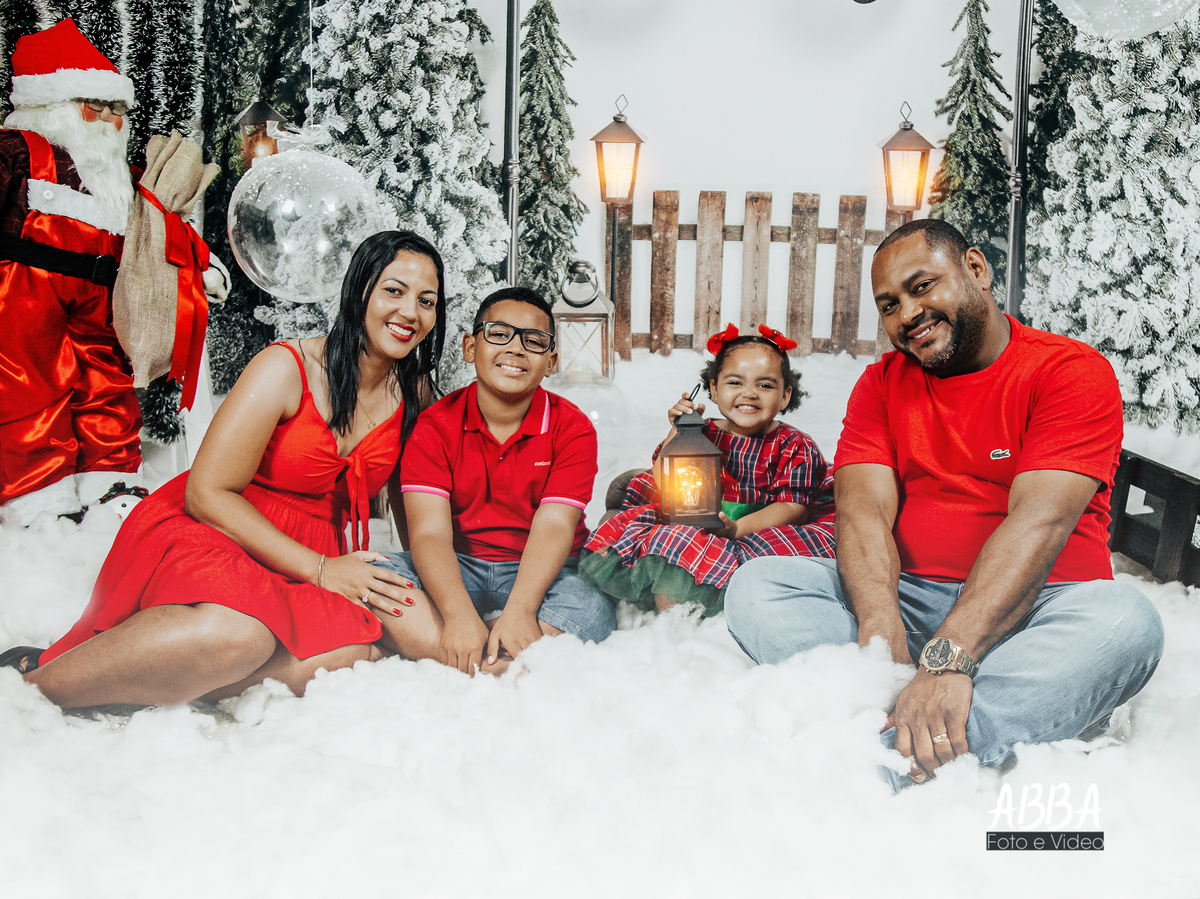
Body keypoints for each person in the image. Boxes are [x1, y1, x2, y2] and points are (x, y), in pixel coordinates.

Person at [724, 219, 1164, 790]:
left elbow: (1039, 522)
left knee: (1127, 622)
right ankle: (929, 730)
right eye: (889, 305)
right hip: (908, 598)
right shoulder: (881, 383)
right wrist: (880, 636)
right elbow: (862, 513)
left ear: (975, 270)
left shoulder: (1068, 371)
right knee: (757, 585)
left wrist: (949, 658)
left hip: (1038, 612)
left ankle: (889, 760)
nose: (907, 314)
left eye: (922, 286)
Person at [1, 231, 446, 706]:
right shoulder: (286, 367)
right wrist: (320, 570)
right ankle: (30, 695)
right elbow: (206, 494)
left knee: (349, 652)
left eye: (427, 301)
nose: (410, 313)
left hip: (315, 553)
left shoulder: (415, 397)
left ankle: (150, 671)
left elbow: (419, 516)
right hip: (221, 530)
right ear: (360, 290)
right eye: (394, 291)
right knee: (240, 636)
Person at [371, 286, 616, 676]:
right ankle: (493, 654)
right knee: (375, 580)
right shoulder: (434, 426)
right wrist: (457, 614)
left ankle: (463, 650)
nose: (515, 349)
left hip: (544, 570)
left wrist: (521, 609)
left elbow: (555, 523)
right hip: (458, 564)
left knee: (593, 609)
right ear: (471, 348)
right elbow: (429, 533)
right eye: (499, 334)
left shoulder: (572, 428)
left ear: (550, 361)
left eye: (533, 341)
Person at [579, 323, 836, 616]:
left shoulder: (794, 445)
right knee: (664, 532)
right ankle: (665, 610)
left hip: (758, 526)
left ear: (786, 395)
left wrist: (737, 529)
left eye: (764, 385)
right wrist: (679, 431)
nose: (749, 393)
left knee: (763, 561)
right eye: (735, 383)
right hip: (697, 516)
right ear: (713, 388)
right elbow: (664, 476)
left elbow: (793, 507)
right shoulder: (704, 431)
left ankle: (700, 607)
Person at [0, 19, 145, 526]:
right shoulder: (17, 151)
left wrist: (200, 263)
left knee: (109, 384)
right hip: (26, 296)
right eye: (95, 105)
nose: (109, 119)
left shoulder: (118, 176)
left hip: (101, 299)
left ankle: (112, 485)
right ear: (54, 106)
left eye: (117, 109)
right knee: (30, 391)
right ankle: (38, 500)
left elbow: (160, 226)